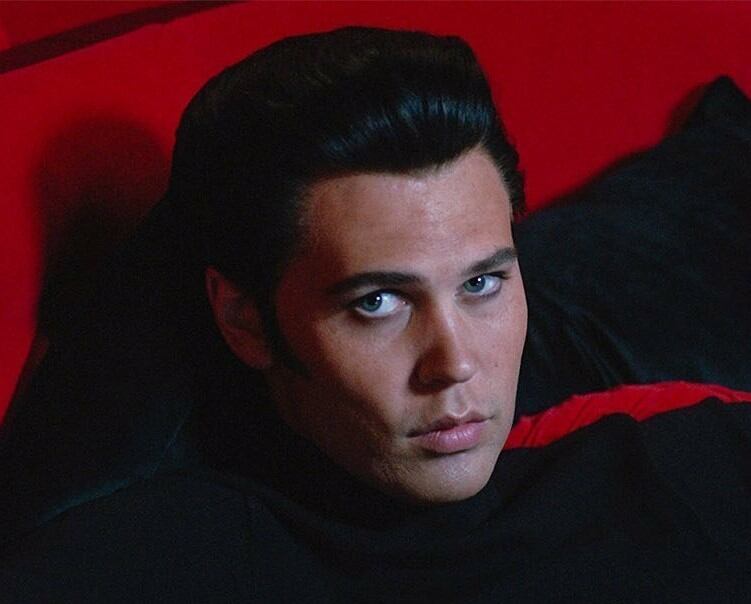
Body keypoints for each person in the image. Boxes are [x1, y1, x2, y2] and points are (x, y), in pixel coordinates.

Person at [1, 26, 749, 603]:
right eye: (377, 303)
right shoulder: (142, 558)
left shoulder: (670, 453)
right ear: (243, 320)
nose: (455, 363)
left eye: (482, 283)